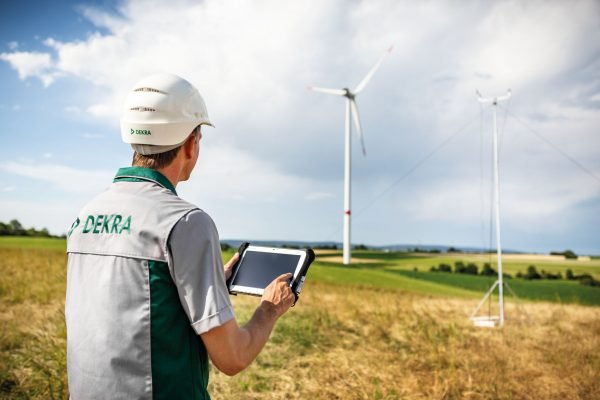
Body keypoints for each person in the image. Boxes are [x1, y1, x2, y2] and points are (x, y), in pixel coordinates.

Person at [65, 72, 295, 399]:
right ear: (191, 142)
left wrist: (209, 281)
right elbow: (233, 357)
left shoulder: (86, 214)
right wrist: (270, 309)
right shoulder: (186, 222)